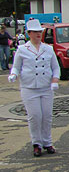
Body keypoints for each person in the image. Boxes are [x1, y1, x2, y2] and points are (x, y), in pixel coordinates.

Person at [8, 19, 60, 157]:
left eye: (39, 32)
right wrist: (14, 74)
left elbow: (55, 67)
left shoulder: (48, 48)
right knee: (35, 116)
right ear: (29, 33)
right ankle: (36, 143)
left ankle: (47, 142)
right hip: (29, 87)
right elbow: (16, 66)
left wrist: (55, 79)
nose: (38, 34)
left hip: (46, 87)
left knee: (47, 116)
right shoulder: (22, 49)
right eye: (35, 32)